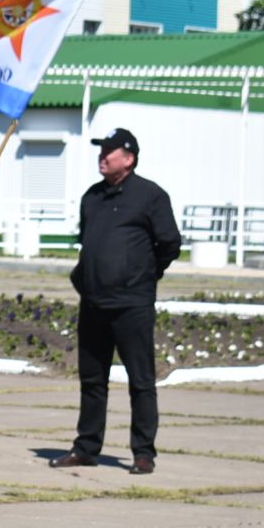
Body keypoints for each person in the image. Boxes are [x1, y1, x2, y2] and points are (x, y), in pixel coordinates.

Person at [50, 127, 181, 476]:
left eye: (109, 151)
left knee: (141, 380)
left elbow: (169, 244)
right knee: (92, 380)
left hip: (131, 304)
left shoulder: (151, 196)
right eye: (100, 150)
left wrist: (143, 274)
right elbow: (88, 243)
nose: (102, 156)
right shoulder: (92, 197)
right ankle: (87, 447)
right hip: (94, 303)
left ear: (129, 157)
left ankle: (143, 453)